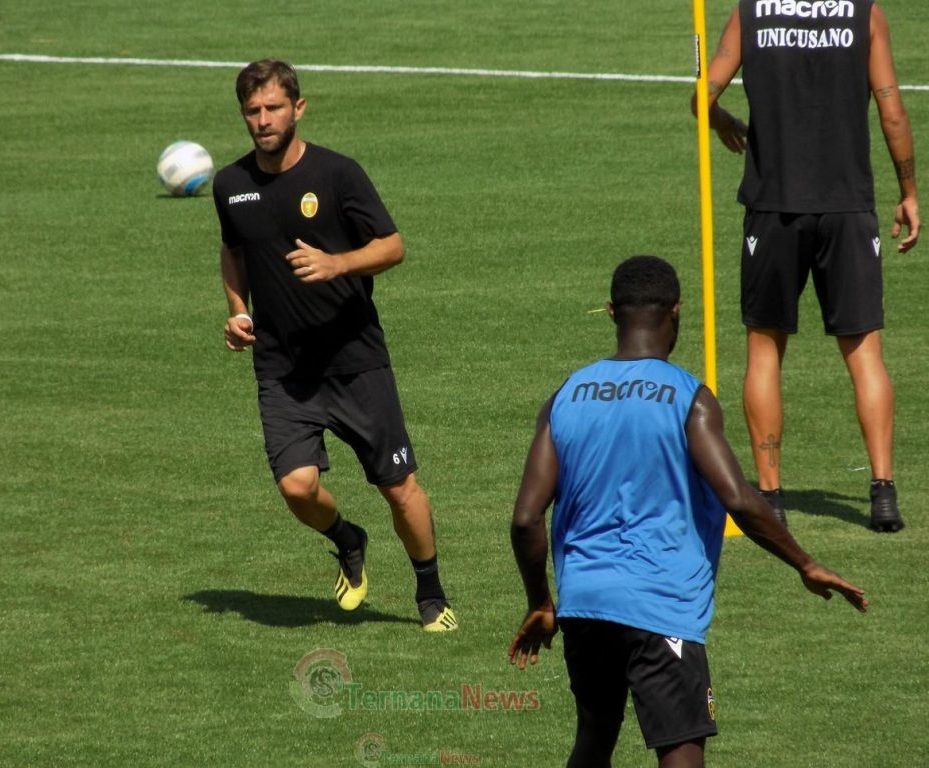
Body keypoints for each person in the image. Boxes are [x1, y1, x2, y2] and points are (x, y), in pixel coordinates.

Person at [508, 256, 867, 768]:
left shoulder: (565, 396)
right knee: (680, 749)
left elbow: (525, 518)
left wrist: (541, 602)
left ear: (612, 313)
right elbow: (739, 498)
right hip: (660, 607)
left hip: (584, 605)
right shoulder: (688, 398)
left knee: (595, 734)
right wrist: (804, 562)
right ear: (676, 313)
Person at [212, 58, 456, 632]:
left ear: (298, 108)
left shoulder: (339, 174)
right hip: (283, 368)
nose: (263, 119)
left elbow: (393, 246)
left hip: (355, 361)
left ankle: (431, 592)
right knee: (297, 487)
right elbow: (233, 250)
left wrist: (337, 263)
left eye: (274, 107)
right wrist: (237, 310)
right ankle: (348, 540)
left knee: (400, 488)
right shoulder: (231, 184)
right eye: (253, 110)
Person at [692, 0, 919, 531]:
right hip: (847, 207)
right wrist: (908, 191)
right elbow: (891, 109)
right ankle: (883, 493)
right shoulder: (866, 15)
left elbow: (703, 95)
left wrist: (723, 119)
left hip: (773, 208)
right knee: (865, 353)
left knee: (765, 352)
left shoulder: (749, 14)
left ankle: (770, 498)